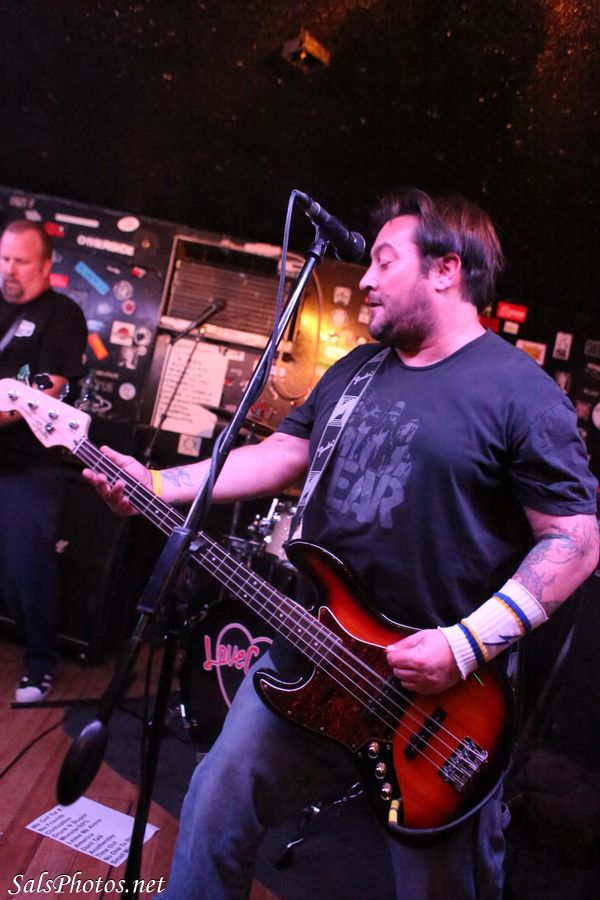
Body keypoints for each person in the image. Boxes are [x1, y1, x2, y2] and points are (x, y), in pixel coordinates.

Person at [84, 188, 598, 899]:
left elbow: (576, 539)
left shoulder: (523, 393)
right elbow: (279, 455)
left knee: (440, 887)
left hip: (444, 701)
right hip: (317, 653)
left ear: (446, 269)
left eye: (385, 260)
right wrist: (158, 482)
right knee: (217, 798)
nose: (366, 279)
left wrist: (465, 644)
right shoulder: (356, 370)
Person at [0, 220, 88, 703]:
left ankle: (40, 665)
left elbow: (48, 389)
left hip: (29, 464)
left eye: (21, 261)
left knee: (26, 568)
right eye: (4, 258)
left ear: (46, 265)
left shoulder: (62, 315)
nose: (9, 269)